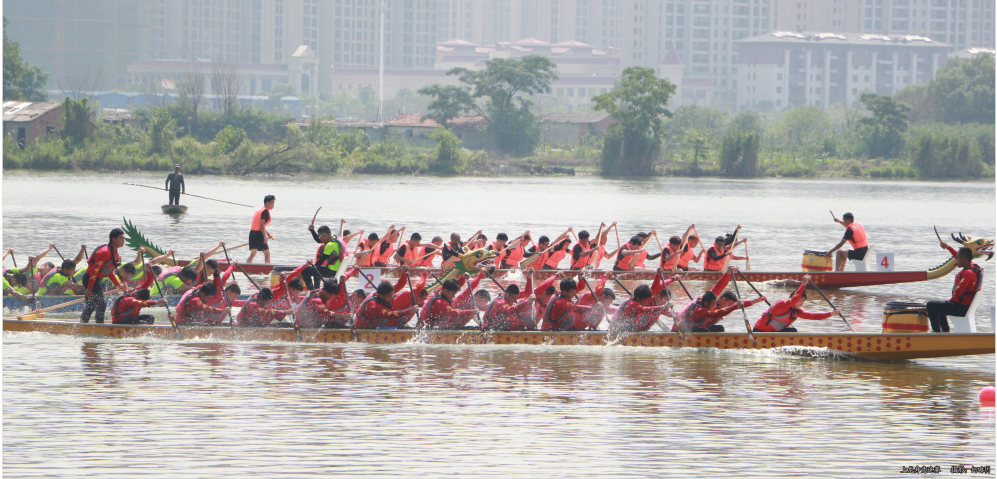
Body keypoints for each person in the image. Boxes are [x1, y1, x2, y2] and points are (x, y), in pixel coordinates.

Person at [673, 267, 764, 332]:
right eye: (729, 304)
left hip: (695, 328)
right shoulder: (702, 309)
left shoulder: (711, 300)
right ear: (723, 299)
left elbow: (720, 286)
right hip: (682, 330)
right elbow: (720, 312)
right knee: (720, 328)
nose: (713, 306)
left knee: (717, 328)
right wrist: (735, 306)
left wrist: (758, 300)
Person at [925, 243, 982, 333]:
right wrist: (948, 247)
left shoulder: (968, 273)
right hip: (965, 305)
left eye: (957, 258)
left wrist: (952, 299)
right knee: (940, 305)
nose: (955, 260)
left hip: (961, 308)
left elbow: (959, 289)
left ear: (964, 259)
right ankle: (945, 332)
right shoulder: (973, 265)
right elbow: (959, 255)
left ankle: (936, 332)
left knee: (931, 305)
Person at [752, 275, 837, 332]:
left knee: (792, 330)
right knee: (792, 330)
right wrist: (803, 284)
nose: (802, 304)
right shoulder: (782, 304)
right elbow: (793, 300)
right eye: (801, 301)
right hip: (759, 332)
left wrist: (831, 314)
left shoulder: (797, 312)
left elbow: (812, 316)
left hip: (772, 333)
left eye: (803, 302)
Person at [80, 229, 126, 324]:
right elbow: (94, 271)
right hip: (90, 279)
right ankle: (95, 326)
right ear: (113, 239)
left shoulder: (115, 252)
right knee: (100, 305)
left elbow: (109, 272)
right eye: (121, 238)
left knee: (92, 305)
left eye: (124, 238)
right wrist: (89, 288)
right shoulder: (105, 252)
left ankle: (85, 324)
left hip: (96, 280)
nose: (123, 240)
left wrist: (118, 285)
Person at [354, 281, 419, 329]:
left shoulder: (384, 292)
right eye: (389, 296)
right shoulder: (374, 306)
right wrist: (410, 310)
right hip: (361, 328)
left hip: (373, 326)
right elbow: (391, 315)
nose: (391, 297)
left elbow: (400, 285)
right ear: (381, 295)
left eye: (392, 294)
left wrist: (404, 273)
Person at [303, 224, 346, 289]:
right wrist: (312, 230)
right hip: (338, 269)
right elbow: (318, 240)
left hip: (332, 271)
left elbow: (320, 262)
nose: (319, 238)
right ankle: (316, 289)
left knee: (305, 270)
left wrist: (309, 264)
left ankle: (312, 291)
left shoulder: (330, 245)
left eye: (320, 236)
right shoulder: (334, 237)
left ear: (324, 235)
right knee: (316, 268)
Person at [247, 195, 275, 264]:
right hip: (258, 234)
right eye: (272, 203)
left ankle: (246, 267)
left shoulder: (260, 209)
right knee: (267, 253)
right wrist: (265, 237)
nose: (273, 205)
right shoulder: (265, 211)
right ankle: (267, 270)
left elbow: (260, 226)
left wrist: (268, 234)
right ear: (267, 203)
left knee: (253, 253)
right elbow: (261, 224)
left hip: (252, 233)